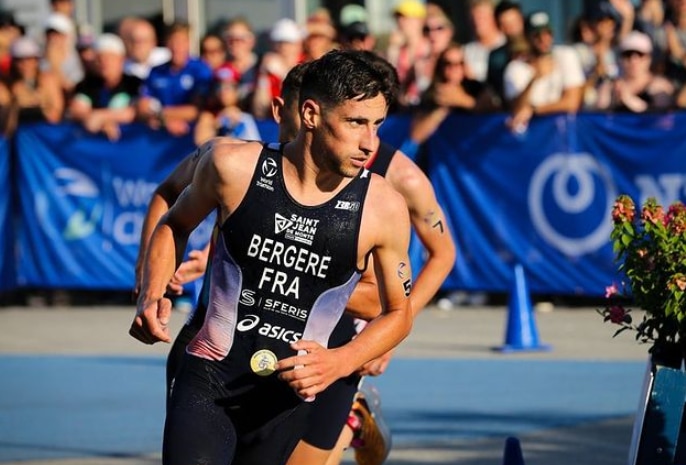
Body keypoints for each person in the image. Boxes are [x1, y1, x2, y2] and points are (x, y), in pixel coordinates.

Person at [129, 49, 414, 465]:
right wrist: (151, 293)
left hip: (290, 393)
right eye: (355, 123)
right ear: (312, 114)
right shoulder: (232, 166)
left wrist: (339, 362)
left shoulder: (383, 206)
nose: (369, 143)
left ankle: (351, 413)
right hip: (208, 375)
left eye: (377, 125)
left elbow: (398, 312)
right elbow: (174, 223)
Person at [502, 10, 584, 133]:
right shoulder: (515, 68)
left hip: (563, 136)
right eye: (536, 35)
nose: (543, 39)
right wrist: (535, 79)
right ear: (527, 38)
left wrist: (534, 110)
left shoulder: (566, 55)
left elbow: (572, 102)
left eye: (548, 33)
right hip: (533, 139)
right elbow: (517, 109)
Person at [136, 21, 213, 136]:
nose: (176, 47)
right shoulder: (156, 71)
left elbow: (196, 110)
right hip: (160, 135)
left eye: (181, 41)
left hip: (190, 136)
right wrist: (165, 121)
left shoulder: (200, 69)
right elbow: (142, 106)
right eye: (173, 41)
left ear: (188, 43)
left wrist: (160, 115)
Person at [68, 33, 141, 141]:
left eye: (109, 58)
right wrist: (100, 123)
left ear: (121, 59)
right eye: (100, 58)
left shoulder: (134, 83)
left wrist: (101, 117)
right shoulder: (87, 84)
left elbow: (138, 111)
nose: (104, 62)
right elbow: (77, 110)